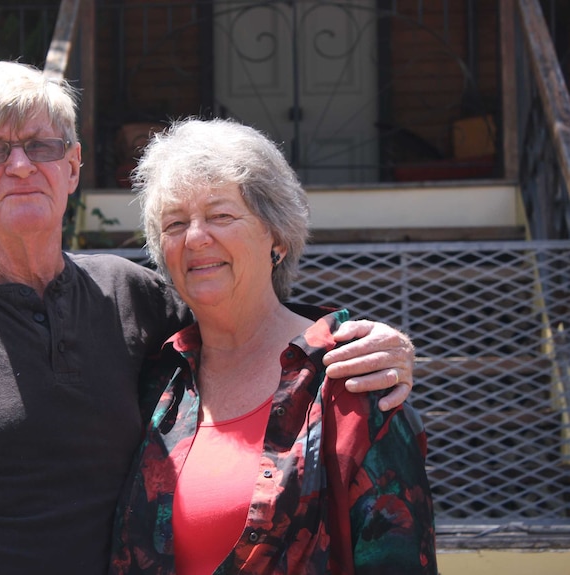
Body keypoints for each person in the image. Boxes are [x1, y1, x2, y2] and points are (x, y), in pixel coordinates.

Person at [0, 61, 417, 575]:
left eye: (41, 145)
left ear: (73, 166)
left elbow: (244, 311)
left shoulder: (135, 300)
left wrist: (372, 342)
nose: (18, 165)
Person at [108, 118, 436, 574]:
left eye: (221, 215)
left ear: (276, 237)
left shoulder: (351, 382)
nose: (196, 237)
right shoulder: (158, 381)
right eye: (176, 223)